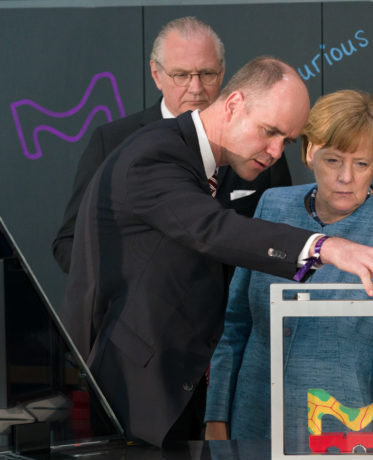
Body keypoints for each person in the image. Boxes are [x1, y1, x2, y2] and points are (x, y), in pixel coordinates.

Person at [63, 58, 373, 449]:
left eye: (287, 141)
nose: (276, 151)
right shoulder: (154, 156)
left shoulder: (196, 157)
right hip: (133, 395)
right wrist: (324, 246)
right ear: (233, 104)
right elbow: (212, 230)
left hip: (172, 390)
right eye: (269, 132)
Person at [204, 89, 373, 448]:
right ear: (309, 152)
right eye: (333, 161)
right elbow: (237, 320)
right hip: (255, 424)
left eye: (361, 164)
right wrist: (216, 415)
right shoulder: (273, 205)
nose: (346, 177)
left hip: (346, 435)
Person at [52, 16, 291, 273]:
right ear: (156, 74)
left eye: (207, 74)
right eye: (181, 75)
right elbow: (70, 243)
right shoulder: (113, 142)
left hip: (235, 311)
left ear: (222, 73)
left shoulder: (263, 145)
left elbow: (283, 237)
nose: (196, 88)